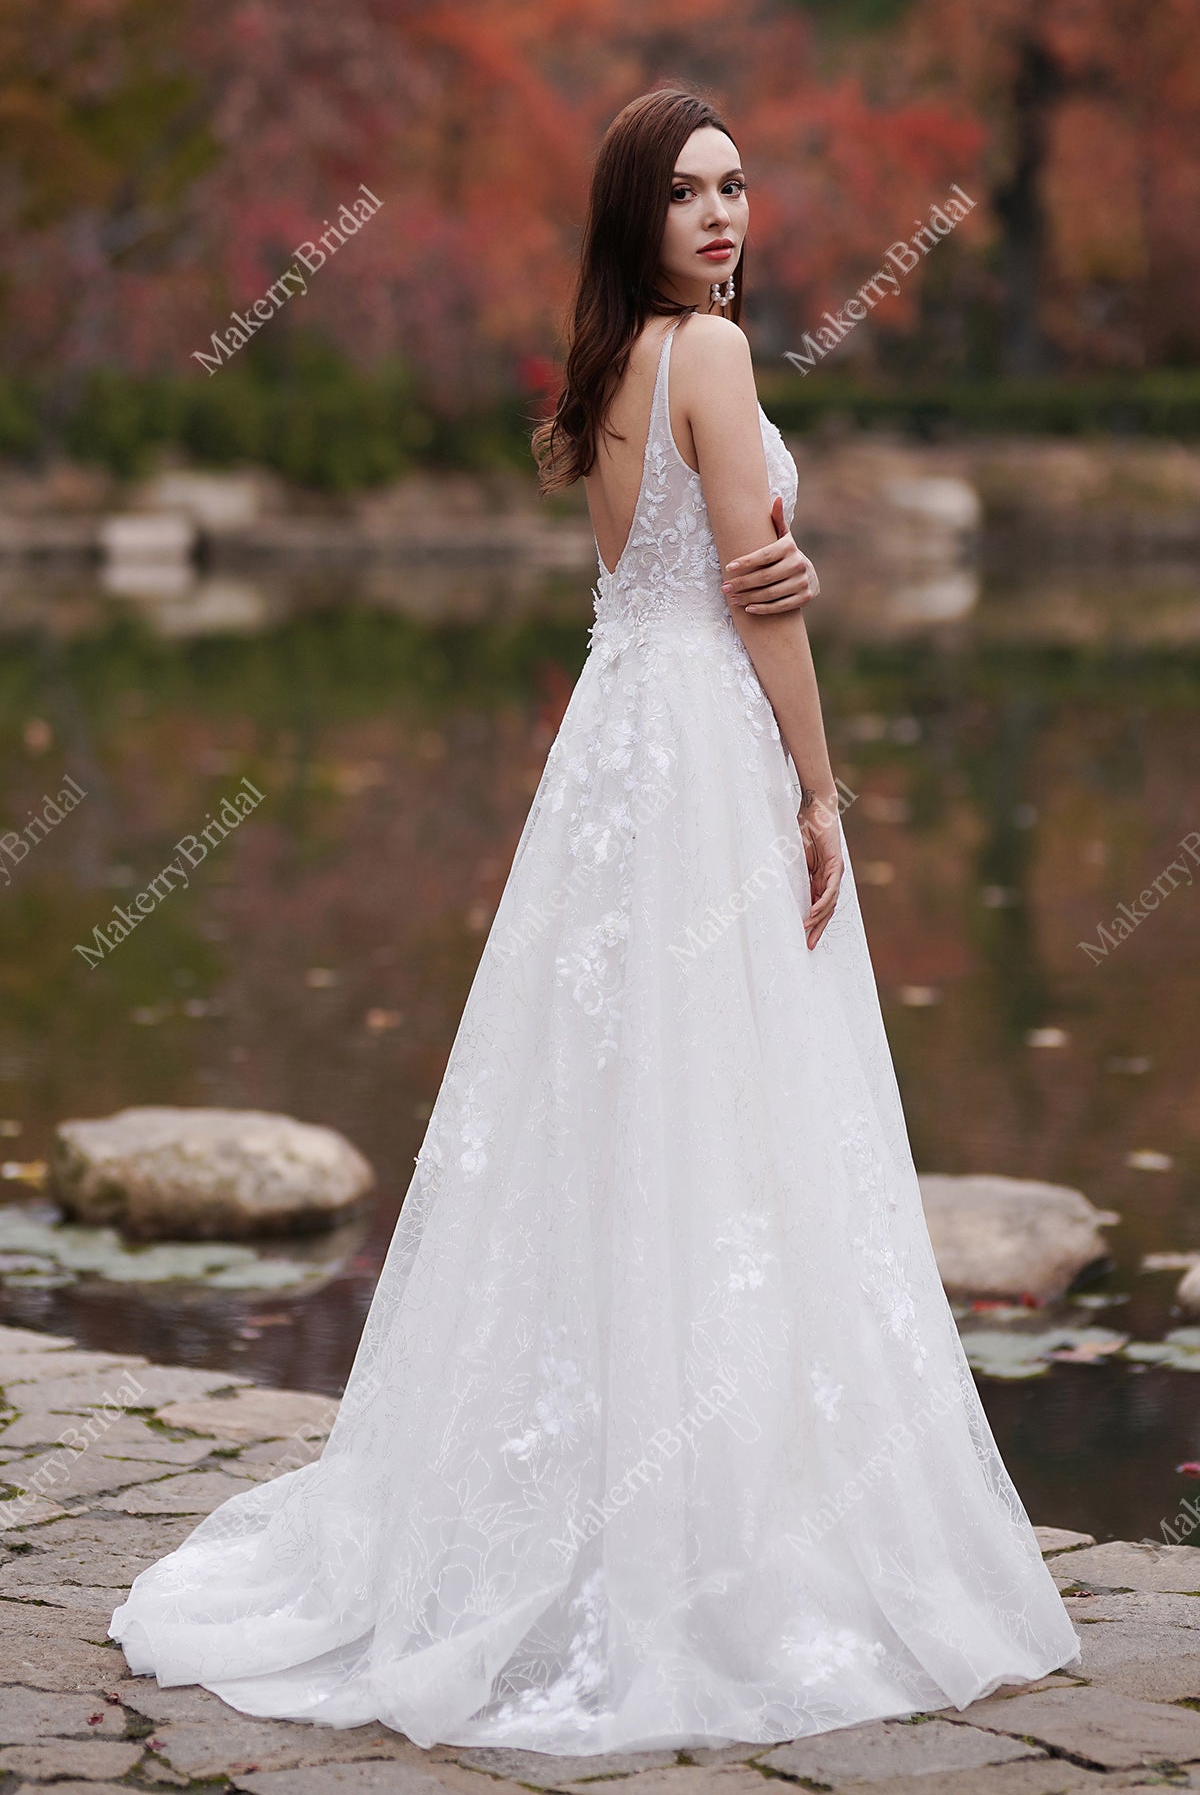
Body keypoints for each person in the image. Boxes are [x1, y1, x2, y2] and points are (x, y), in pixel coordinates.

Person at [109, 85, 1083, 1755]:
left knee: (612, 1109)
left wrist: (777, 573)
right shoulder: (706, 352)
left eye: (737, 186)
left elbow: (681, 576)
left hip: (615, 756)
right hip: (701, 751)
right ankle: (713, 1518)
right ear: (638, 215)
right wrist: (823, 786)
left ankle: (598, 1487)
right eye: (689, 191)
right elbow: (753, 601)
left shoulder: (608, 366)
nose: (724, 215)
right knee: (735, 1108)